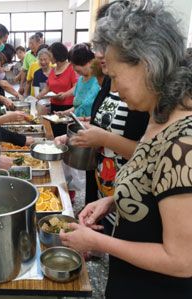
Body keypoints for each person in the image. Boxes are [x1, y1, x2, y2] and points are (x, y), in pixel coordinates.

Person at [59, 1, 192, 298]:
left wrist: (97, 243)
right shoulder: (160, 114)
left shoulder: (183, 142)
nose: (114, 89)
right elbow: (154, 186)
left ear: (146, 64)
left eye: (116, 77)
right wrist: (114, 202)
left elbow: (182, 260)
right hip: (129, 279)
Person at [55, 1, 149, 236]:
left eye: (105, 44)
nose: (98, 54)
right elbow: (101, 122)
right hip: (107, 186)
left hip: (131, 195)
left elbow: (150, 155)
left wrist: (103, 137)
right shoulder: (109, 80)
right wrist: (82, 132)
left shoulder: (147, 95)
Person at [36, 42, 77, 136]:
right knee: (54, 133)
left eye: (50, 56)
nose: (49, 58)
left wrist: (65, 95)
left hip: (68, 108)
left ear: (57, 55)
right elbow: (48, 87)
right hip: (54, 107)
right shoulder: (53, 69)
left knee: (64, 135)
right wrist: (38, 97)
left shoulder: (71, 68)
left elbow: (76, 87)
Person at [59, 43, 100, 117]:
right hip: (78, 125)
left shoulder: (98, 81)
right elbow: (78, 107)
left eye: (75, 65)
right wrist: (64, 113)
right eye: (72, 65)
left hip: (91, 126)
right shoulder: (80, 80)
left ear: (89, 62)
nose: (74, 69)